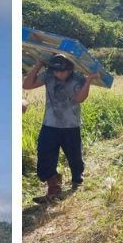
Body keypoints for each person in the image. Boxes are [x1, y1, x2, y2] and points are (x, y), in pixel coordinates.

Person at [21, 53, 99, 204]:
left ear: (69, 69)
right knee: (44, 157)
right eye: (56, 71)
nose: (59, 74)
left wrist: (88, 80)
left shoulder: (78, 78)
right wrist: (39, 64)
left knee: (74, 157)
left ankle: (77, 179)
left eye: (62, 71)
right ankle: (53, 188)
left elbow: (79, 99)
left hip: (71, 126)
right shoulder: (48, 75)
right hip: (50, 125)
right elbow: (27, 85)